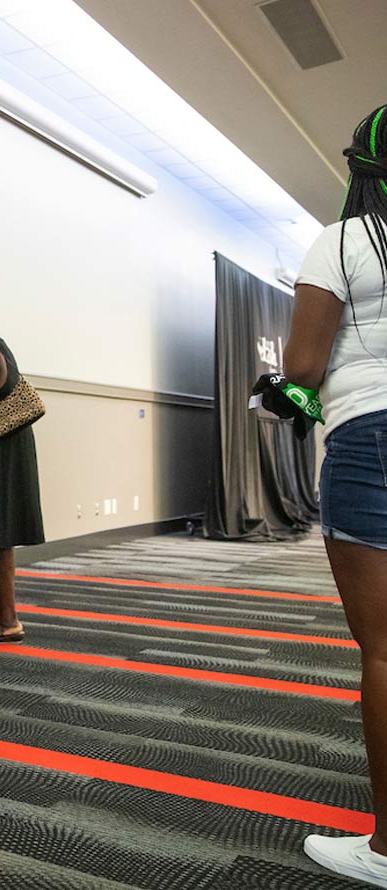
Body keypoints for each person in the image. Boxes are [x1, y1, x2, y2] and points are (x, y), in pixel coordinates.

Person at [281, 102, 387, 888]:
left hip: (373, 438)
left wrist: (285, 390)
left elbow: (305, 368)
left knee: (386, 649)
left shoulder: (344, 241)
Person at [0, 332, 45, 643]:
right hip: (11, 441)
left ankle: (8, 620)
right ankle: (2, 614)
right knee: (3, 534)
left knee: (2, 531)